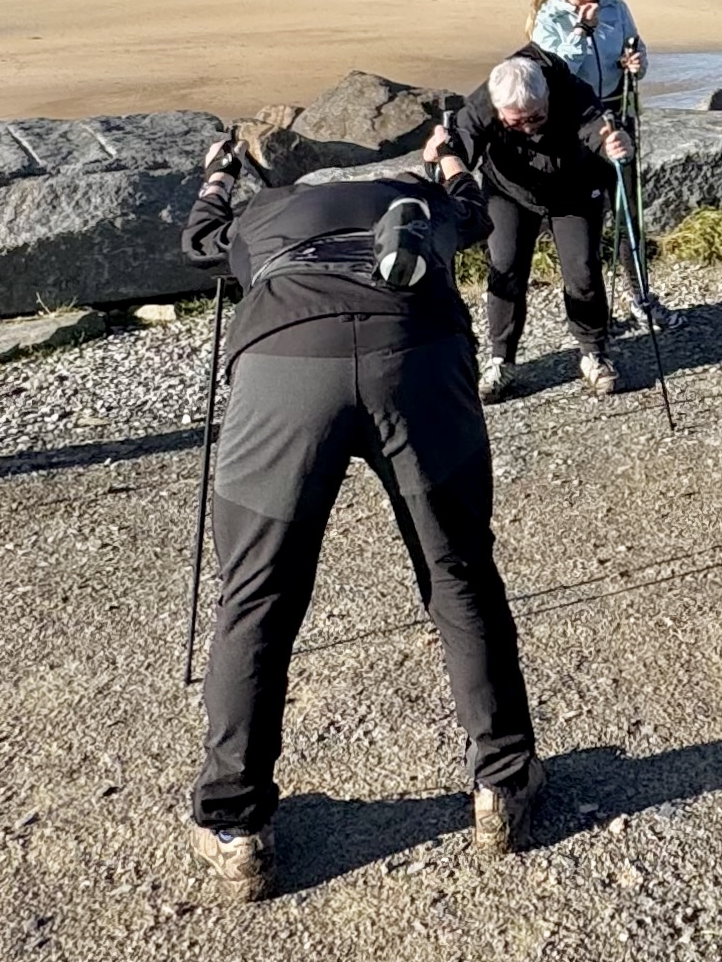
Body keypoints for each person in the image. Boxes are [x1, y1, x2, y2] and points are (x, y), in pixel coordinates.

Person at [181, 124, 542, 903]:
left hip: (284, 365)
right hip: (415, 354)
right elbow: (476, 211)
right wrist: (448, 158)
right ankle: (503, 782)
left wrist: (217, 174)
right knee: (458, 571)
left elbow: (200, 239)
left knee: (256, 596)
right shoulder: (418, 201)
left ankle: (237, 823)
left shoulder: (266, 210)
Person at [454, 46, 634, 403]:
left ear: (547, 95)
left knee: (582, 268)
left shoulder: (571, 90)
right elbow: (459, 146)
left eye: (536, 117)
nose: (527, 127)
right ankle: (501, 359)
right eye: (515, 122)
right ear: (498, 108)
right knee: (504, 265)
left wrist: (613, 143)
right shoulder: (483, 102)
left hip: (573, 188)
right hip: (509, 191)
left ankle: (594, 353)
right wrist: (442, 154)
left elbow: (597, 127)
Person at [526, 0, 684, 332]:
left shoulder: (615, 5)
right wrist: (582, 31)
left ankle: (641, 298)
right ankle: (594, 309)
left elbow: (635, 46)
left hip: (618, 113)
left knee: (629, 210)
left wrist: (636, 63)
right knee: (586, 220)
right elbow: (557, 74)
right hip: (575, 124)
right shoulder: (548, 19)